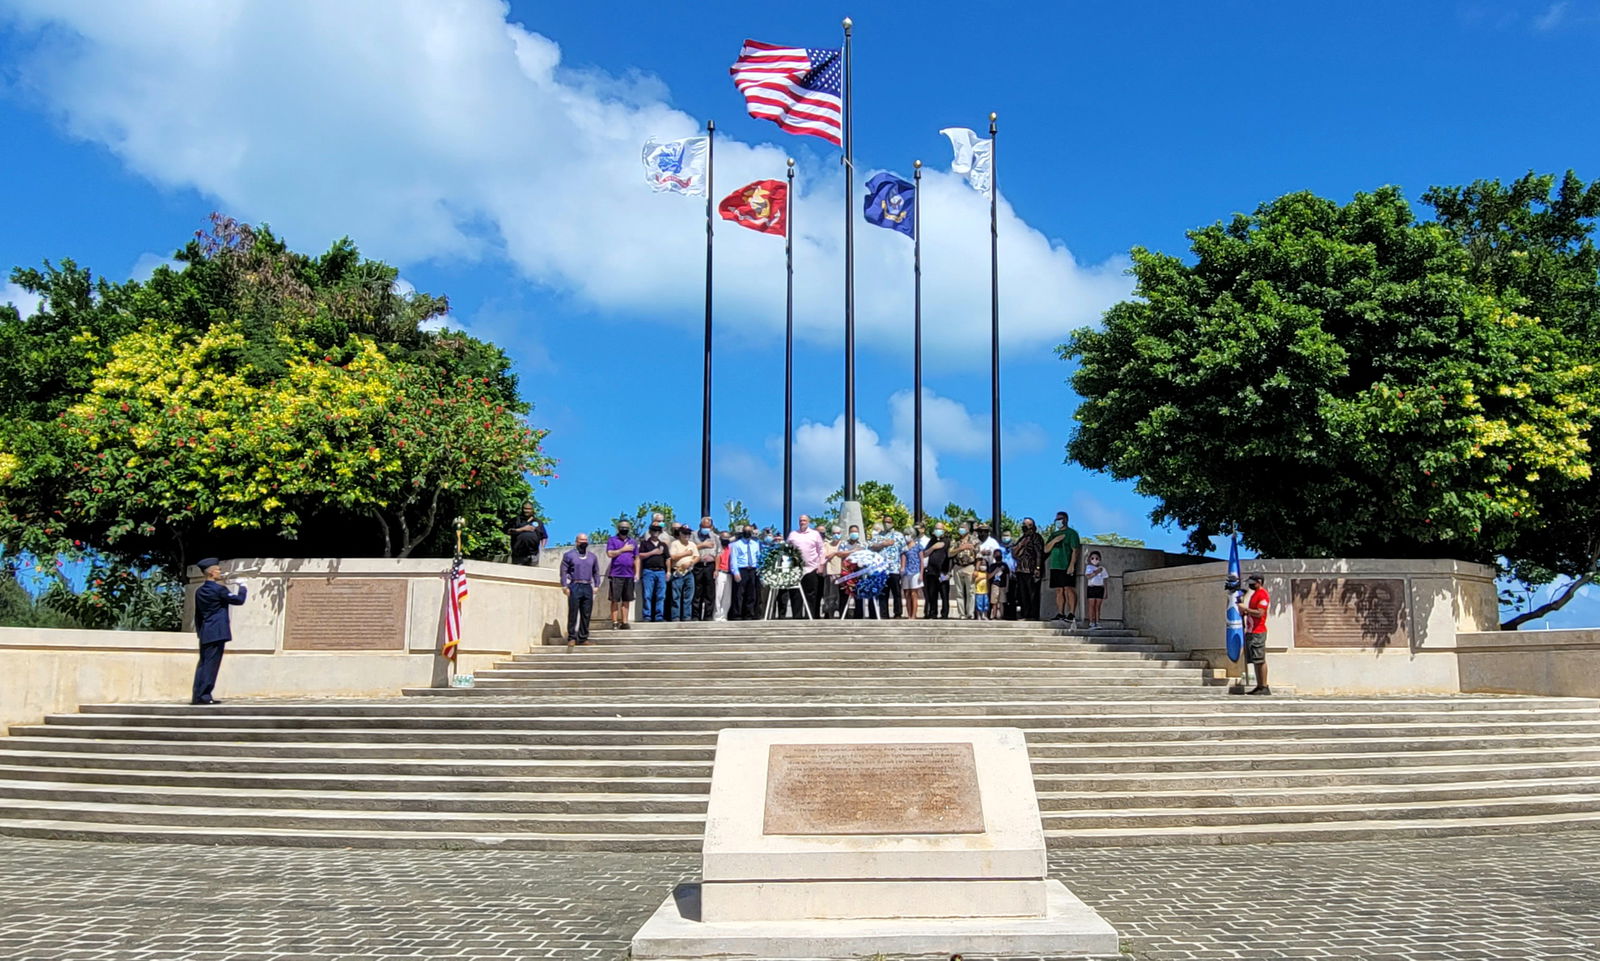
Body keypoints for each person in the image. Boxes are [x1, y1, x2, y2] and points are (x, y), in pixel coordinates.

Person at [190, 558, 247, 705]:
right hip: (217, 631)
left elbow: (198, 615)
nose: (220, 572)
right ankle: (204, 696)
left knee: (203, 664)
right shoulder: (219, 589)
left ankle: (198, 695)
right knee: (211, 666)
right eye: (218, 570)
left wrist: (200, 631)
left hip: (206, 631)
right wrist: (243, 587)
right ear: (211, 572)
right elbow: (239, 600)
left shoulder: (200, 591)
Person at [560, 534, 603, 645]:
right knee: (573, 612)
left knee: (586, 613)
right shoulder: (569, 555)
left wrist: (597, 585)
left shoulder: (592, 556)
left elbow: (596, 572)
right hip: (575, 585)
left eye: (585, 540)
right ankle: (571, 637)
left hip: (587, 586)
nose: (583, 542)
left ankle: (583, 637)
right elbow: (563, 572)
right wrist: (564, 586)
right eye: (581, 540)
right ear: (576, 542)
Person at [1236, 572, 1272, 695]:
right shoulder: (1254, 595)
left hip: (1258, 631)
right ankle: (1259, 685)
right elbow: (1253, 612)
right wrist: (1245, 612)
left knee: (1260, 659)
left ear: (1259, 582)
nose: (1250, 585)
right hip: (1251, 631)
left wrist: (1245, 609)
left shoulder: (1262, 595)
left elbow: (1260, 613)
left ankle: (1264, 686)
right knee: (1255, 660)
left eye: (1252, 583)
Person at [1043, 510, 1081, 623]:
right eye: (1056, 519)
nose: (1058, 521)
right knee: (1059, 590)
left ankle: (1071, 613)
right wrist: (1055, 540)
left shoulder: (1072, 533)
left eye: (1060, 519)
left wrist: (1072, 565)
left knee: (1068, 588)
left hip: (1066, 565)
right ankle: (1060, 613)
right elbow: (1046, 549)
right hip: (1055, 566)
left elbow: (1075, 550)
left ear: (1065, 520)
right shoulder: (1053, 535)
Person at [787, 514, 827, 618]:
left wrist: (821, 565)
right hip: (796, 569)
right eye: (800, 520)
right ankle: (797, 617)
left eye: (804, 520)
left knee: (811, 594)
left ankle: (810, 617)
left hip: (811, 568)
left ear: (808, 522)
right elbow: (786, 549)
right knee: (795, 594)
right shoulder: (793, 534)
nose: (802, 522)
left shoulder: (815, 534)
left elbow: (822, 550)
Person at [868, 516, 906, 618]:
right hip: (882, 570)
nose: (887, 524)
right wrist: (883, 544)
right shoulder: (878, 536)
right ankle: (884, 614)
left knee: (896, 593)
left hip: (894, 569)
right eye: (885, 522)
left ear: (892, 523)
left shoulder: (898, 535)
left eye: (889, 522)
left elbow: (903, 552)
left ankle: (897, 613)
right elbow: (871, 547)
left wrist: (902, 567)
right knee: (883, 593)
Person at [605, 519, 638, 630]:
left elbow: (636, 558)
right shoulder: (612, 540)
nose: (624, 530)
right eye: (622, 528)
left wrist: (637, 572)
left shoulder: (633, 542)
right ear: (618, 529)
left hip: (629, 575)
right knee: (615, 599)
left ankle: (624, 622)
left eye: (626, 528)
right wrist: (622, 549)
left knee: (626, 600)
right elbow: (610, 553)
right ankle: (614, 622)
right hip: (616, 574)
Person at [1013, 517, 1045, 621]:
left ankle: (1033, 615)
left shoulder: (1036, 537)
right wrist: (1021, 545)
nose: (1023, 526)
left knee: (1032, 594)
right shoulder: (1022, 538)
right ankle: (1024, 614)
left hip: (1031, 569)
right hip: (1020, 569)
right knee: (1023, 594)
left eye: (1025, 524)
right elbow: (1014, 553)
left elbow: (1039, 553)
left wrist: (1038, 568)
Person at [729, 524, 762, 621]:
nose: (748, 533)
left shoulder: (755, 544)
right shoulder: (737, 544)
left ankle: (749, 614)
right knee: (739, 593)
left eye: (749, 531)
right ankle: (737, 614)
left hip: (753, 569)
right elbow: (733, 559)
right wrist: (735, 572)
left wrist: (759, 569)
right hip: (741, 569)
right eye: (746, 531)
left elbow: (758, 557)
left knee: (751, 594)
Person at [636, 524, 667, 623]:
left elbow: (668, 558)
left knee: (661, 595)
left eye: (657, 531)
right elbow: (640, 555)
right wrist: (653, 552)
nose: (655, 533)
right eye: (653, 530)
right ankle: (647, 616)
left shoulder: (663, 545)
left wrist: (669, 571)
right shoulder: (645, 544)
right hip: (648, 571)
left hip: (661, 571)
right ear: (650, 532)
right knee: (647, 595)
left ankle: (659, 616)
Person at [668, 525, 699, 622]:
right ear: (680, 533)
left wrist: (691, 562)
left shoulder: (692, 544)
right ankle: (675, 616)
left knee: (689, 596)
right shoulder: (675, 544)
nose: (687, 535)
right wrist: (686, 554)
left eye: (689, 533)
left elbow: (697, 556)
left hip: (689, 572)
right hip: (678, 571)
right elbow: (672, 557)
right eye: (685, 533)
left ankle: (686, 616)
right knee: (676, 596)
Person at [692, 516, 720, 621]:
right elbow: (690, 549)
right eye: (703, 526)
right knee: (697, 591)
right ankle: (695, 615)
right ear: (700, 526)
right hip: (698, 565)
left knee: (709, 592)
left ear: (711, 527)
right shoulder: (693, 535)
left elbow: (718, 554)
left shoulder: (715, 537)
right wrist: (702, 545)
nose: (705, 528)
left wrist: (716, 569)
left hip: (710, 566)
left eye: (707, 527)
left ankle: (708, 615)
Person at [950, 522, 979, 618]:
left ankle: (970, 613)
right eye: (960, 527)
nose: (961, 529)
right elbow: (950, 553)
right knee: (959, 592)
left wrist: (976, 570)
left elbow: (979, 556)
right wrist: (960, 548)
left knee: (970, 591)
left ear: (968, 529)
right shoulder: (955, 541)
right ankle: (961, 613)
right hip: (958, 567)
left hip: (970, 567)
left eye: (963, 527)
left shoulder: (974, 540)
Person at [922, 524, 950, 619]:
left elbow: (950, 555)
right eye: (936, 528)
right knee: (932, 594)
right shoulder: (932, 541)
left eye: (940, 529)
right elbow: (925, 553)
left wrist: (948, 571)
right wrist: (933, 547)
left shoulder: (947, 541)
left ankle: (944, 614)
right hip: (931, 571)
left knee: (944, 594)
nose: (938, 530)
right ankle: (933, 613)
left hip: (943, 571)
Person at [901, 525, 922, 620]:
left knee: (914, 594)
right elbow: (903, 559)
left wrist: (921, 574)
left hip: (915, 572)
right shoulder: (904, 548)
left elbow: (922, 561)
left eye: (908, 534)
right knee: (907, 594)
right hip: (906, 573)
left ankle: (914, 615)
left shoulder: (918, 546)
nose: (906, 536)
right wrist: (902, 568)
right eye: (905, 534)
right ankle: (909, 614)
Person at [713, 530, 734, 621]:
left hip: (729, 573)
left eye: (727, 538)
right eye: (723, 538)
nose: (725, 540)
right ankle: (717, 615)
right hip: (720, 572)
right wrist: (716, 570)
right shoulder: (718, 548)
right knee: (719, 595)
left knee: (727, 596)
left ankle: (724, 615)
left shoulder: (731, 548)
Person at [1084, 550, 1108, 629]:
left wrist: (1105, 591)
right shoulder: (1089, 567)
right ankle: (1091, 622)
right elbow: (1088, 576)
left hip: (1099, 588)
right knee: (1091, 606)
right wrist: (1096, 572)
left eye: (1097, 558)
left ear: (1100, 559)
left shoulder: (1102, 568)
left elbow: (1105, 580)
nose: (1095, 560)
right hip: (1091, 587)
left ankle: (1097, 622)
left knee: (1097, 606)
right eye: (1093, 558)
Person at [988, 549, 1010, 621]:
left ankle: (1001, 616)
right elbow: (989, 577)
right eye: (996, 554)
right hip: (994, 585)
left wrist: (1007, 586)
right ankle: (994, 615)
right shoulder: (992, 566)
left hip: (1003, 585)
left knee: (1002, 601)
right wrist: (996, 571)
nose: (998, 556)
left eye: (999, 554)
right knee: (994, 601)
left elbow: (1007, 576)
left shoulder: (1005, 565)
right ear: (994, 556)